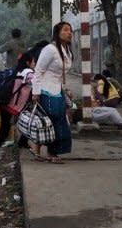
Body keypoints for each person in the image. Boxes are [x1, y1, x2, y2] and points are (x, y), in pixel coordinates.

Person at [0, 52, 36, 172]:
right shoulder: (29, 73)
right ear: (28, 62)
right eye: (33, 62)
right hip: (12, 107)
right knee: (3, 133)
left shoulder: (17, 71)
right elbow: (38, 85)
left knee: (8, 130)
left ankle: (22, 142)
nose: (34, 64)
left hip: (5, 104)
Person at [32, 21, 73, 164]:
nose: (69, 33)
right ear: (58, 33)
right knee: (53, 121)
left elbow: (61, 73)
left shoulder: (66, 50)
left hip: (58, 90)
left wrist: (64, 89)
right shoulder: (50, 49)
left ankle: (43, 152)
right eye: (66, 30)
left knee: (56, 121)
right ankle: (51, 153)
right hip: (46, 90)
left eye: (70, 30)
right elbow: (38, 71)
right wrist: (36, 92)